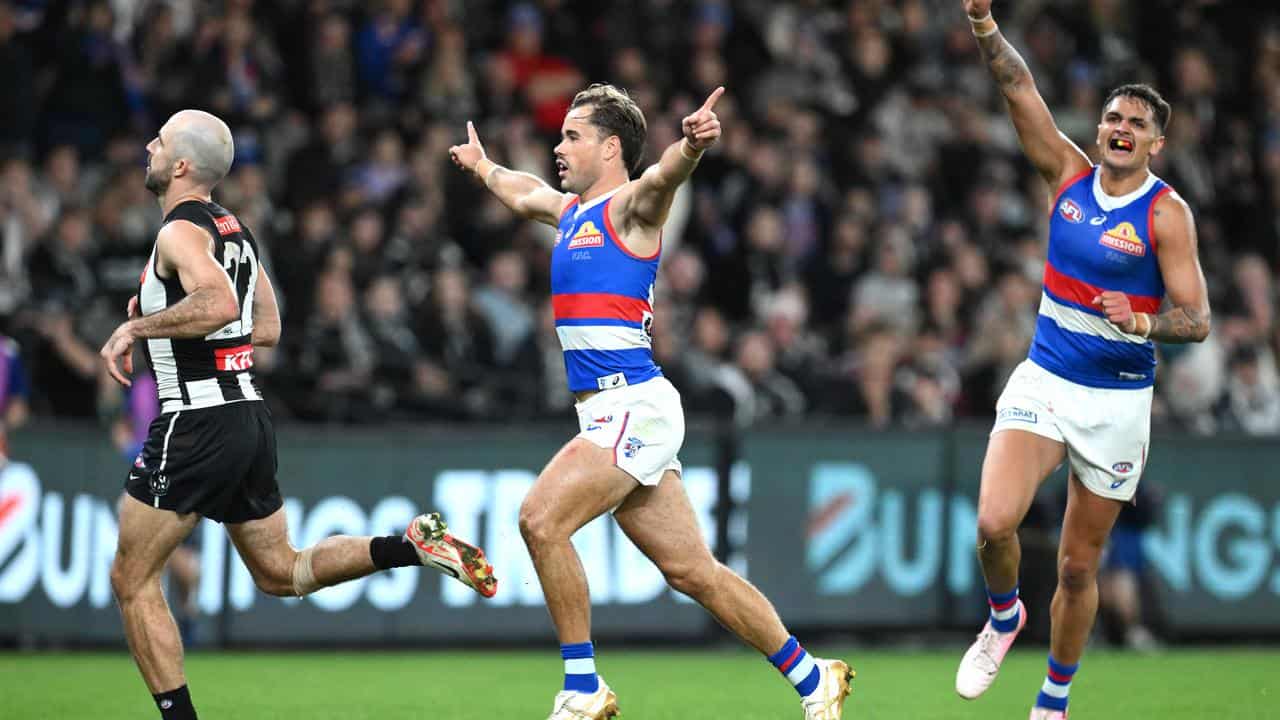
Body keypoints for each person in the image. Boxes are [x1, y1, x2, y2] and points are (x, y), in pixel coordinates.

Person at [448, 84, 854, 720]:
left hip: (629, 406)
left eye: (572, 136)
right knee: (694, 572)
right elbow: (523, 191)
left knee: (540, 520)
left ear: (612, 147)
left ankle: (583, 690)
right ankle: (813, 677)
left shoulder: (630, 209)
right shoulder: (571, 213)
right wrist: (483, 168)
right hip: (617, 411)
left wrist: (689, 147)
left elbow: (663, 178)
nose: (559, 147)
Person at [99, 110, 498, 720]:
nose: (148, 147)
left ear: (181, 166)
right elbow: (266, 326)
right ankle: (409, 546)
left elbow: (216, 302)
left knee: (131, 578)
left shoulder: (177, 234)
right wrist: (170, 318)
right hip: (247, 418)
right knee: (281, 572)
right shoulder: (237, 232)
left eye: (159, 141)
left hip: (196, 420)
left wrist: (138, 326)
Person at [954, 3, 1211, 719]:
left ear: (1155, 143)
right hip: (1046, 379)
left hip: (1117, 403)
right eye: (1113, 119)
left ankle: (1052, 702)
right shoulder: (1066, 176)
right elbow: (1016, 87)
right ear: (1099, 130)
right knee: (993, 523)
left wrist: (1147, 319)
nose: (1121, 130)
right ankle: (1005, 617)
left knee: (1076, 566)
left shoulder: (1166, 216)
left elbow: (1199, 321)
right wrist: (983, 25)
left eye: (1136, 124)